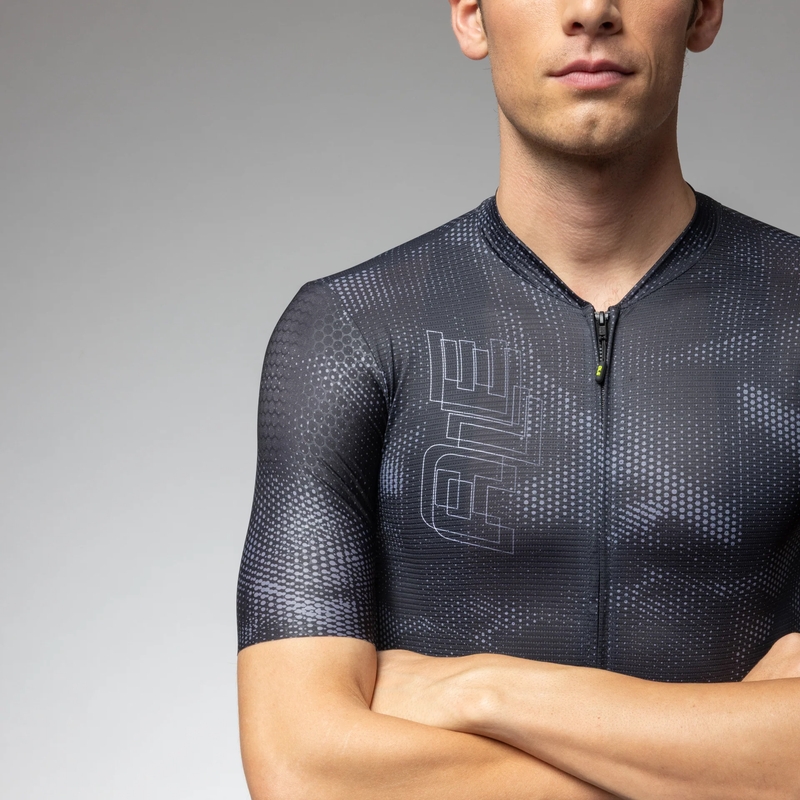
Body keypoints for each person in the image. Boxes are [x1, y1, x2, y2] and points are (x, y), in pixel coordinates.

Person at [236, 1, 800, 797]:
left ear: (703, 12)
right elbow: (301, 770)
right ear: (472, 16)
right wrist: (734, 766)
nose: (591, 10)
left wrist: (480, 691)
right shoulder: (350, 332)